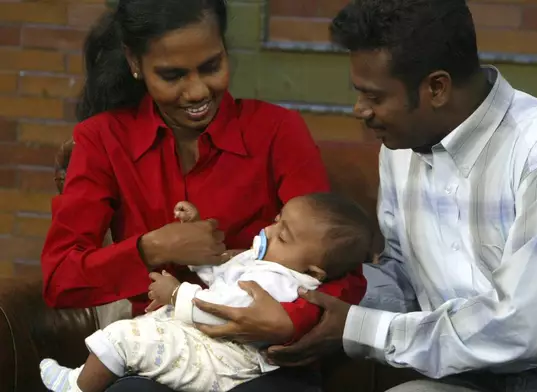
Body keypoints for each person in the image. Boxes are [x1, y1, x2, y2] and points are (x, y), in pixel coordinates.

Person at [195, 1, 537, 391]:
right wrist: (293, 291)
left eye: (373, 96)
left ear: (436, 87)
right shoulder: (401, 146)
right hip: (458, 380)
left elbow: (523, 326)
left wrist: (354, 327)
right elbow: (404, 281)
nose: (360, 111)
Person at [39, 0, 366, 391]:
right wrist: (152, 248)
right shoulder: (102, 141)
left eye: (211, 66)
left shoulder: (279, 132)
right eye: (172, 75)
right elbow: (61, 278)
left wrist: (289, 321)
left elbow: (340, 270)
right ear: (135, 62)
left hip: (261, 359)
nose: (196, 91)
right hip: (158, 353)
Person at [40, 193, 371, 392]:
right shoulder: (271, 262)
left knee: (123, 337)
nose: (269, 231)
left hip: (226, 360)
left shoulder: (283, 283)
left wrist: (176, 295)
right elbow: (223, 276)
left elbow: (222, 309)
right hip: (211, 343)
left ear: (314, 272)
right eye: (276, 220)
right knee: (147, 333)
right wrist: (199, 248)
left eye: (284, 236)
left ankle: (77, 387)